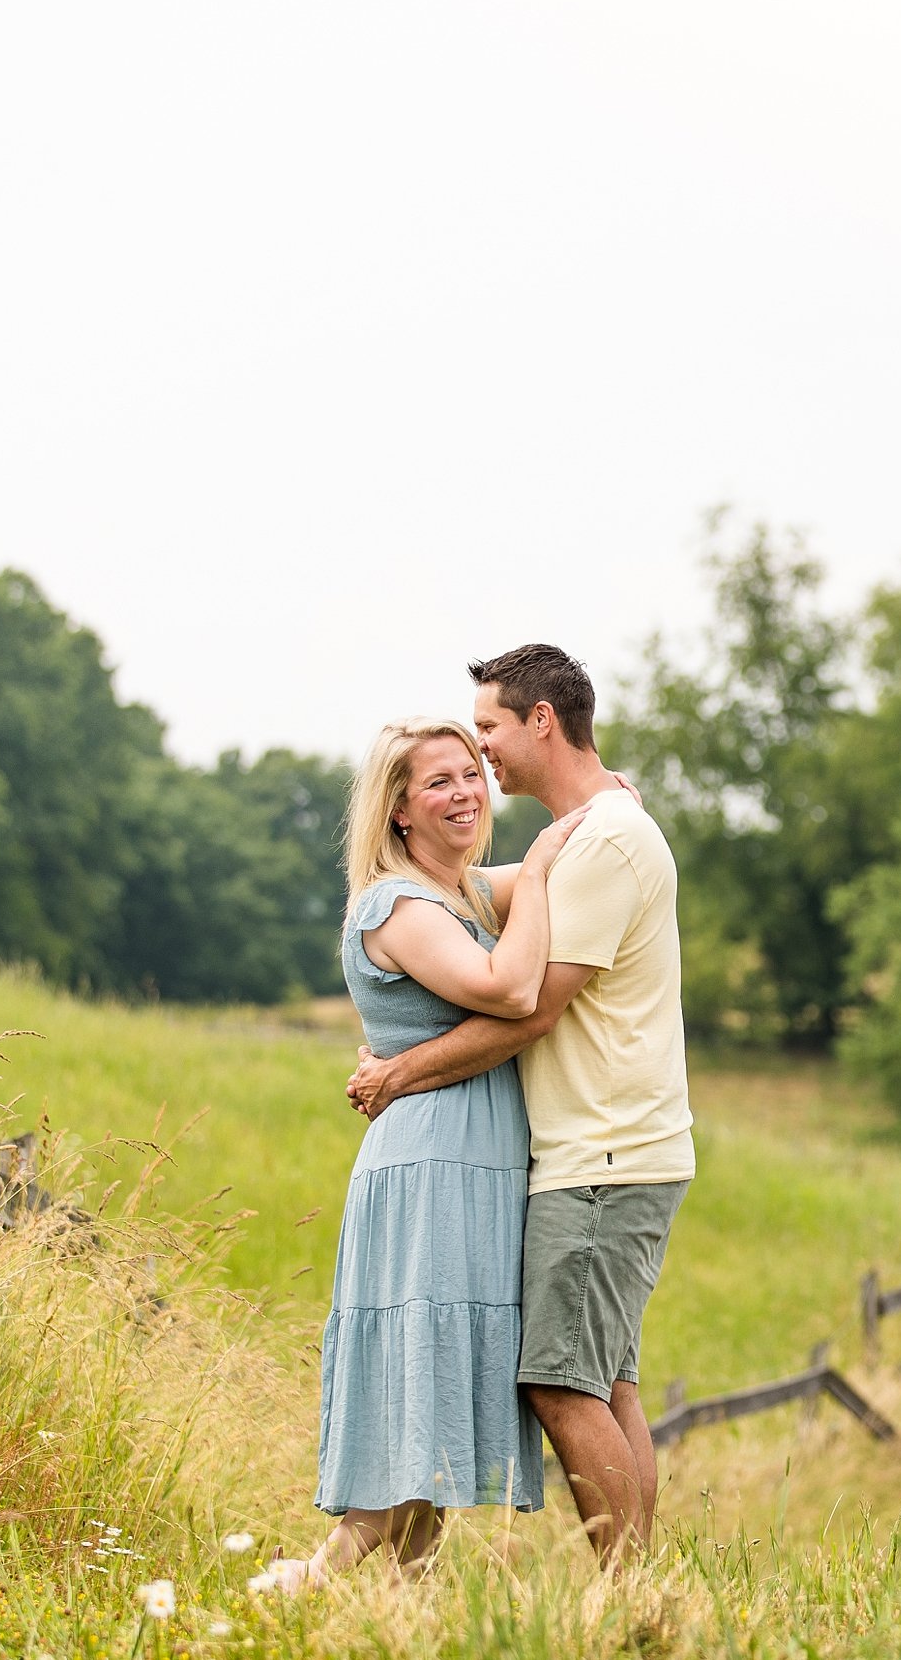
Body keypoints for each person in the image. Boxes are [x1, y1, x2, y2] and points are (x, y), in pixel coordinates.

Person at [347, 643, 692, 1570]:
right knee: (605, 1380)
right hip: (608, 1150)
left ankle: (627, 1596)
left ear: (542, 720)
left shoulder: (605, 839)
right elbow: (460, 898)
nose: (484, 758)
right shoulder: (598, 829)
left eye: (489, 731)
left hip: (604, 1154)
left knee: (560, 1382)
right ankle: (640, 1597)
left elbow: (529, 1006)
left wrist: (400, 1071)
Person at [284, 718, 597, 1587]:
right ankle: (303, 1587)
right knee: (417, 1398)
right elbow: (509, 987)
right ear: (397, 812)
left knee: (438, 1405)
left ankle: (403, 1611)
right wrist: (535, 868)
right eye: (438, 783)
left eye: (471, 773)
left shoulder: (458, 895)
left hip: (476, 1161)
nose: (465, 793)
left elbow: (572, 869)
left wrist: (607, 808)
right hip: (433, 1164)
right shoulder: (400, 905)